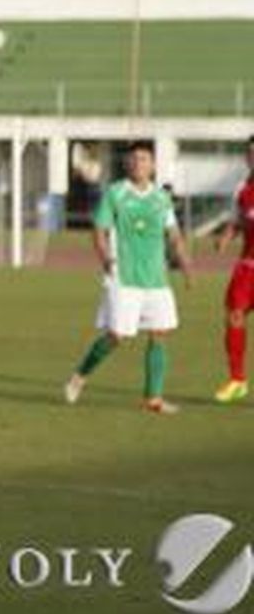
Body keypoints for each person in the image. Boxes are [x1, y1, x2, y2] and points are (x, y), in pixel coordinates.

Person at [63, 140, 193, 414]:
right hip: (124, 277)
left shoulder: (162, 198)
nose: (138, 163)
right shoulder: (115, 193)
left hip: (156, 279)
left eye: (144, 159)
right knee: (117, 336)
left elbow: (174, 235)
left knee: (160, 333)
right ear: (127, 164)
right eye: (133, 159)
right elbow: (99, 231)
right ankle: (79, 377)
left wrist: (186, 266)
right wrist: (105, 259)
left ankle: (153, 398)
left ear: (153, 165)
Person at [211, 135, 254, 403]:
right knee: (234, 315)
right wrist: (227, 236)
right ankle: (237, 380)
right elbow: (239, 219)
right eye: (251, 153)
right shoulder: (244, 190)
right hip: (248, 267)